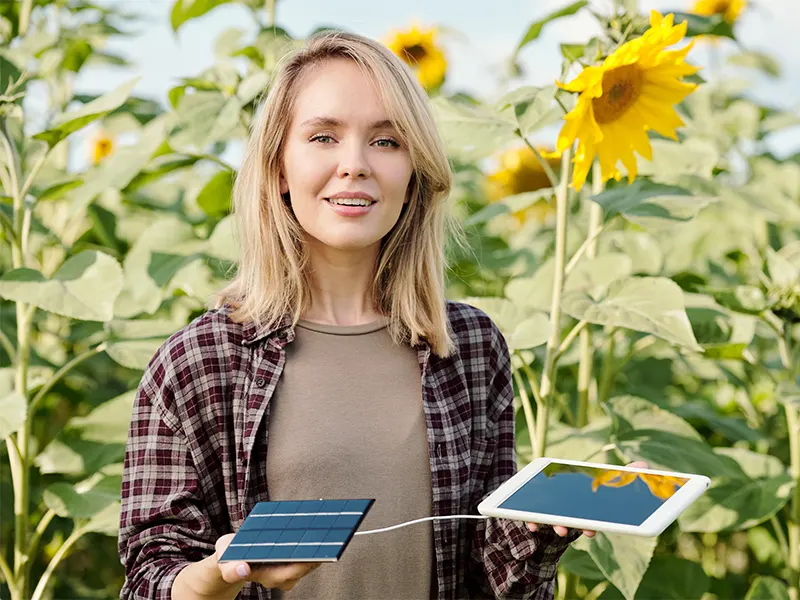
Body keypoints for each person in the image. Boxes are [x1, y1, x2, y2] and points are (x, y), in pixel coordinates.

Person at [117, 30, 643, 600]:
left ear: (415, 172)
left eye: (387, 142)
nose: (355, 165)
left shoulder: (467, 347)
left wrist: (536, 535)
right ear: (278, 170)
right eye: (323, 136)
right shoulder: (197, 363)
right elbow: (149, 577)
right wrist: (213, 578)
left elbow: (491, 582)